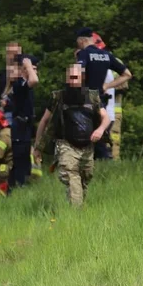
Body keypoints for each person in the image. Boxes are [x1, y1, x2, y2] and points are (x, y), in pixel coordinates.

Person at [34, 63, 110, 206]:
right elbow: (44, 122)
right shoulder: (58, 97)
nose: (73, 81)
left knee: (84, 178)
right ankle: (77, 213)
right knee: (71, 174)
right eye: (70, 78)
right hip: (66, 144)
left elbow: (106, 118)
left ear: (82, 78)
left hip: (87, 147)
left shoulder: (92, 96)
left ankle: (77, 207)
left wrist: (100, 130)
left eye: (76, 78)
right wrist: (38, 147)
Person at [74, 28, 132, 160]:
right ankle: (103, 164)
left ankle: (90, 165)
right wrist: (106, 86)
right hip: (101, 101)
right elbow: (127, 75)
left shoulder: (84, 54)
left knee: (83, 137)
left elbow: (75, 76)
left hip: (86, 100)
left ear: (82, 40)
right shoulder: (106, 55)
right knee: (99, 137)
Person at [0, 42, 39, 190]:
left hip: (25, 128)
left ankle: (14, 189)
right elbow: (34, 80)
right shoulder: (19, 85)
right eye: (33, 69)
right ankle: (16, 189)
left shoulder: (21, 84)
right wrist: (26, 65)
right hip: (19, 129)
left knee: (23, 163)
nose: (35, 71)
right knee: (20, 163)